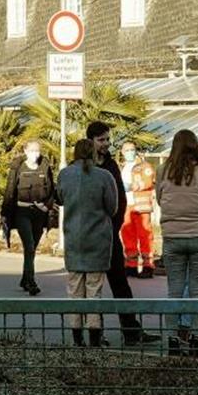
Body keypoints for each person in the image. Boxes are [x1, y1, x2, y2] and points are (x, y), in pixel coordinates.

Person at [87, 121, 160, 345]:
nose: (106, 144)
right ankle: (94, 335)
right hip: (90, 235)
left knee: (121, 284)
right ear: (90, 141)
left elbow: (119, 197)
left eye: (108, 139)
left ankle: (131, 331)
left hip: (109, 234)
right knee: (92, 288)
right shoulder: (83, 166)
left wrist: (113, 225)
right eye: (101, 140)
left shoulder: (110, 165)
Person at [156, 129, 198, 356]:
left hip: (172, 235)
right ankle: (194, 337)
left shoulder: (164, 171)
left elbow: (160, 199)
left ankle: (173, 339)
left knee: (174, 290)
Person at [56, 139, 118, 347]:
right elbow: (112, 208)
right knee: (94, 290)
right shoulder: (104, 176)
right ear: (93, 153)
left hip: (73, 237)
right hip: (98, 239)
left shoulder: (65, 175)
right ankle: (94, 337)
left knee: (74, 290)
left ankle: (76, 337)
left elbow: (60, 199)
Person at [0, 139, 56, 296]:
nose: (35, 154)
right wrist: (4, 213)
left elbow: (51, 188)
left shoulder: (44, 166)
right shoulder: (18, 167)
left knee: (32, 248)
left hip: (39, 212)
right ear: (25, 151)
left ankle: (25, 278)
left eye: (37, 151)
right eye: (32, 151)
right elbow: (10, 190)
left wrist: (48, 206)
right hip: (22, 211)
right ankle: (31, 282)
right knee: (29, 246)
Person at [119, 140, 157, 278]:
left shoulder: (144, 166)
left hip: (141, 207)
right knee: (128, 235)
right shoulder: (122, 167)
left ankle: (148, 265)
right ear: (122, 153)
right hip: (126, 205)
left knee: (145, 235)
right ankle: (131, 265)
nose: (130, 152)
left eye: (132, 149)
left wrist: (131, 186)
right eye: (127, 150)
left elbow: (148, 181)